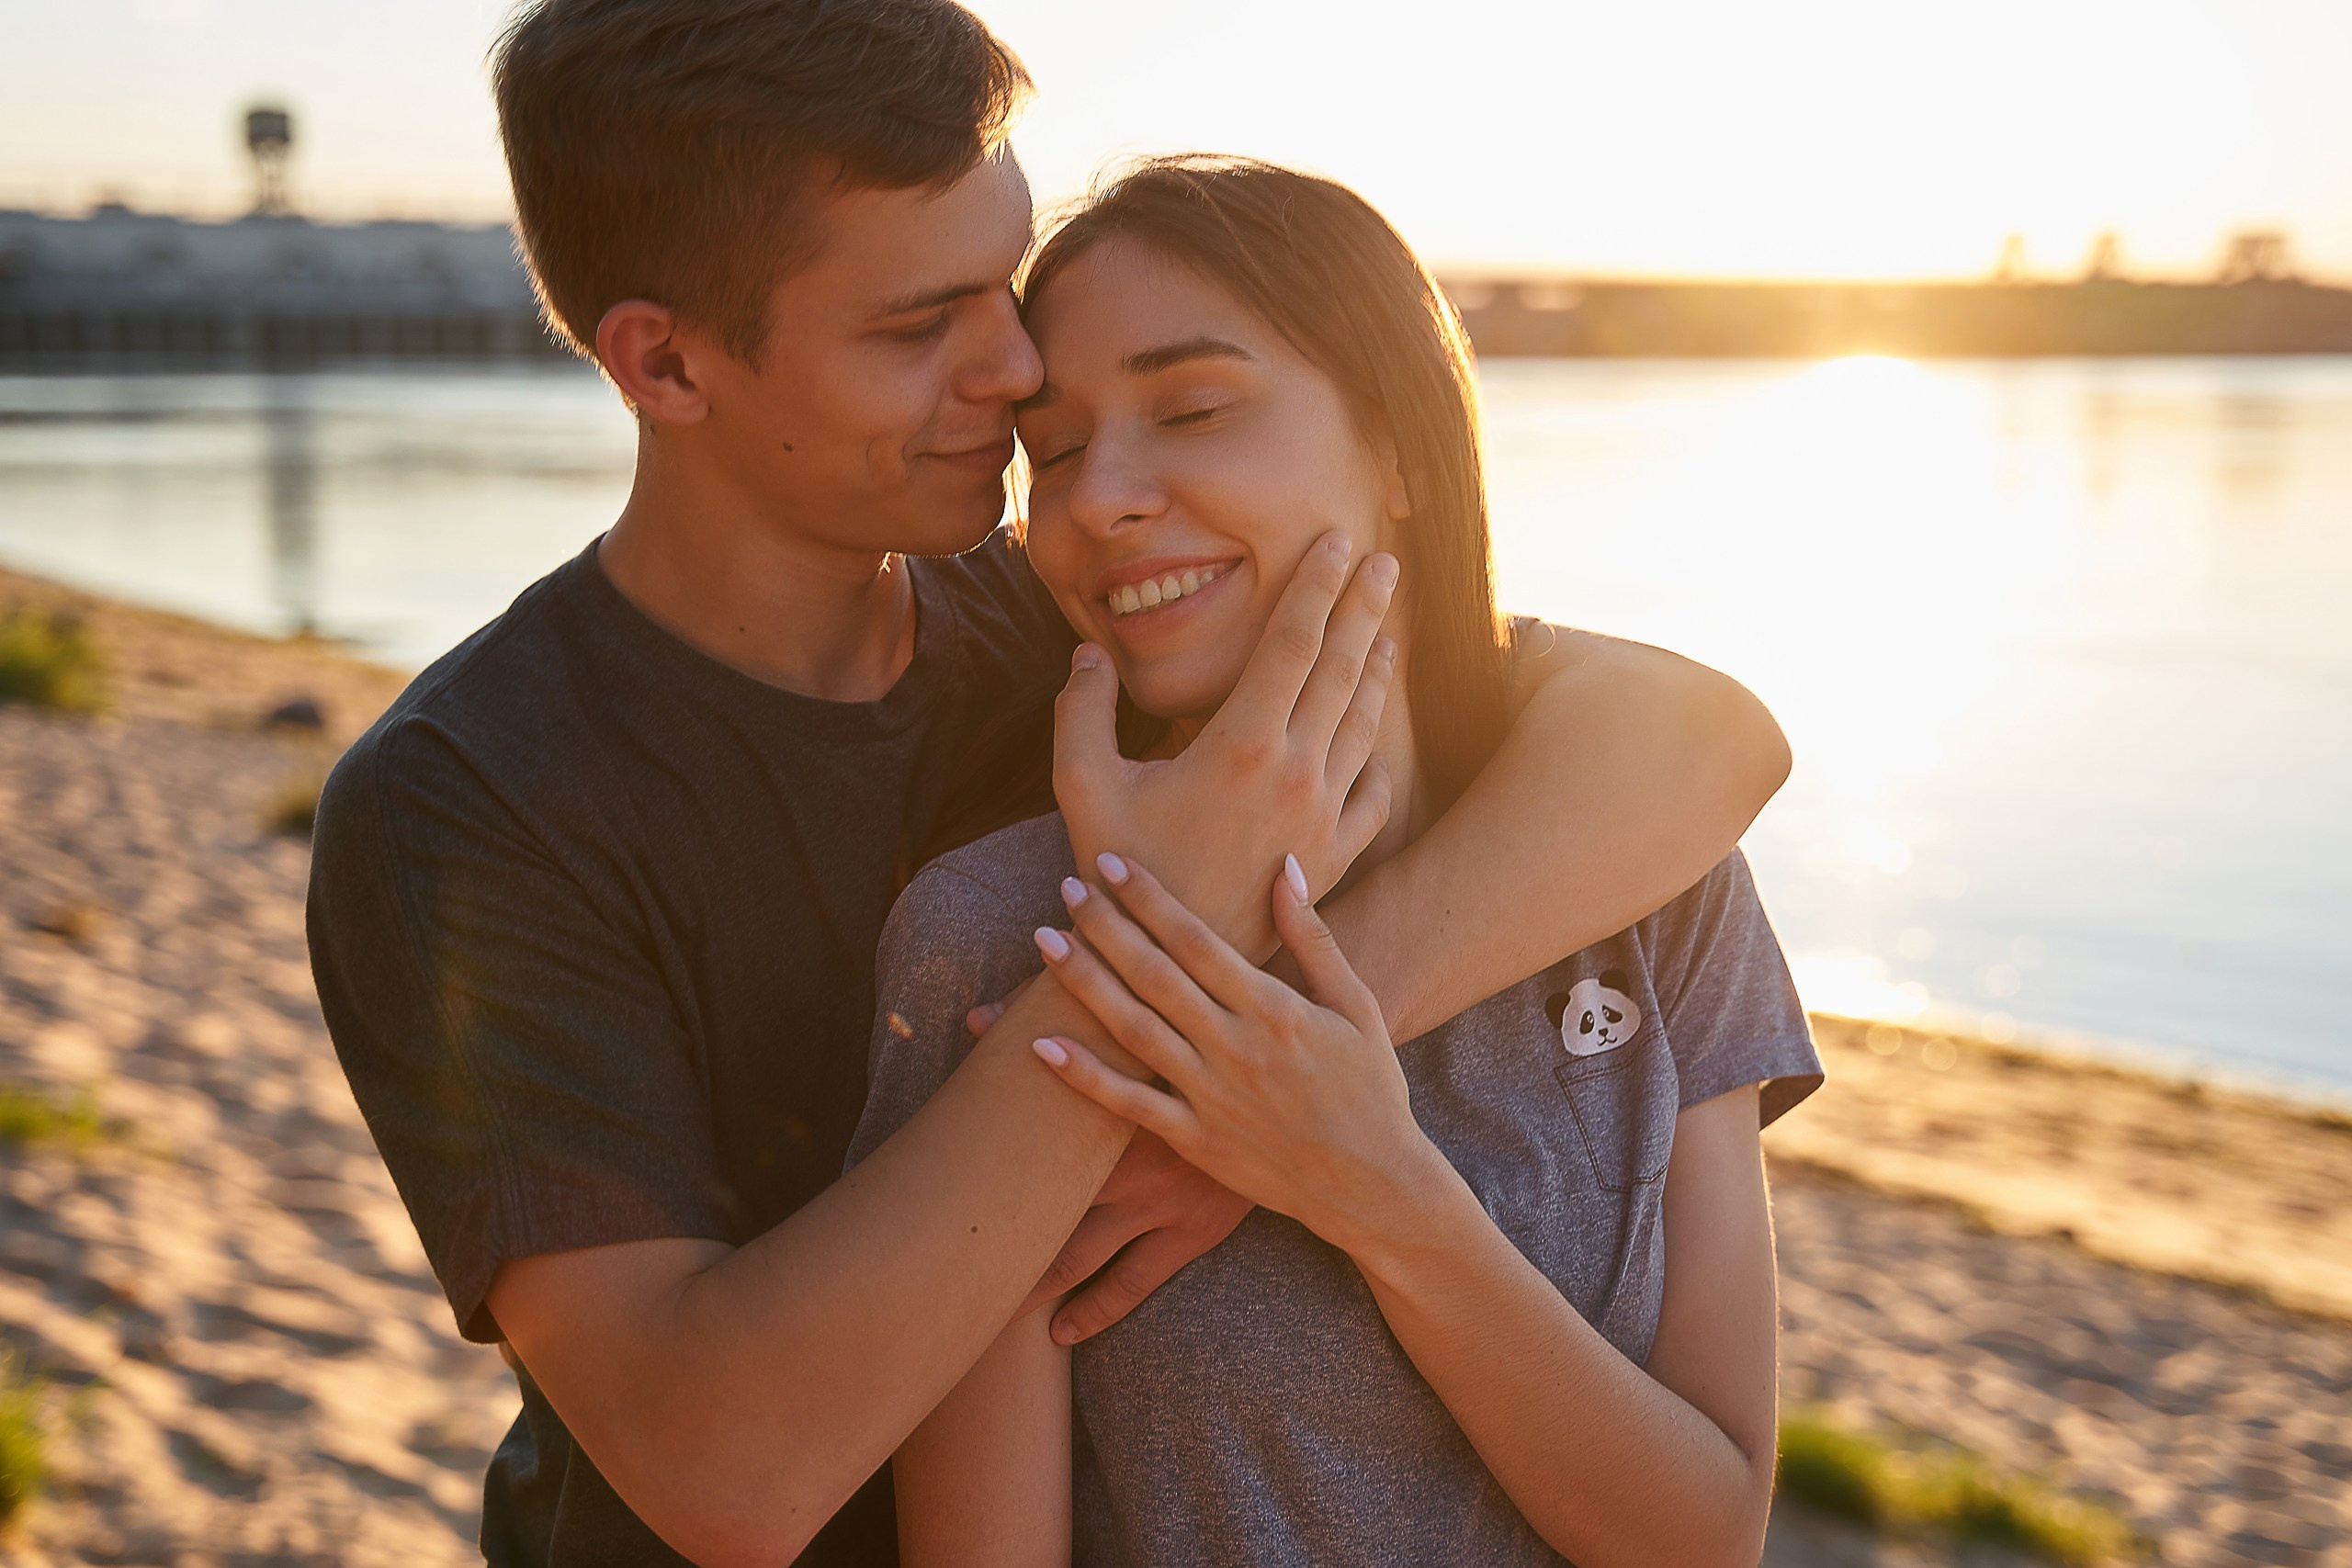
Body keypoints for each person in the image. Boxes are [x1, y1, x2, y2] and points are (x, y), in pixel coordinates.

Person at [304, 5, 1793, 1565]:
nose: (1015, 370)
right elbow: (723, 1467)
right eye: (917, 325)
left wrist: (1278, 1068)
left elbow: (1697, 738)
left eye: (1002, 287)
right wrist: (1178, 951)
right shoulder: (466, 809)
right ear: (663, 362)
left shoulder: (1077, 618)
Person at [850, 159, 1823, 1568]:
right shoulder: (1006, 942)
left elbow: (1706, 1534)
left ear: (1408, 455)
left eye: (1192, 409)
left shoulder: (1655, 890)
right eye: (1051, 450)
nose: (1100, 498)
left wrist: (1374, 1184)